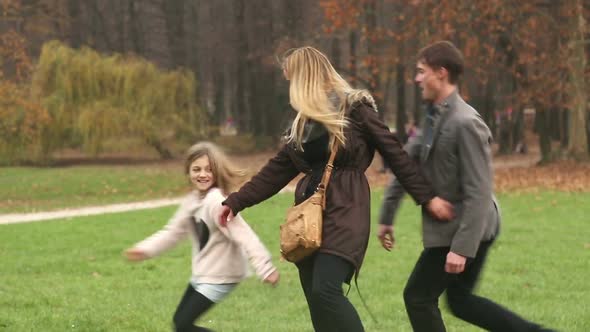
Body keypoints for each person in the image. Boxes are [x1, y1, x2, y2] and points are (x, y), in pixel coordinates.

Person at [218, 46, 453, 332]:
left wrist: (427, 198)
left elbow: (396, 155)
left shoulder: (355, 110)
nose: (290, 87)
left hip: (346, 208)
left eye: (291, 78)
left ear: (305, 77)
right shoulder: (301, 124)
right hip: (307, 220)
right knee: (318, 303)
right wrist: (235, 202)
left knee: (325, 290)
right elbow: (276, 170)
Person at [378, 41, 555, 332]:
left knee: (418, 297)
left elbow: (480, 191)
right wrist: (387, 216)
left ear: (441, 73)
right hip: (457, 226)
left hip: (468, 228)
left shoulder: (465, 122)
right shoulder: (434, 116)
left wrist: (461, 248)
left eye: (422, 72)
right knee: (460, 301)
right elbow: (406, 167)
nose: (417, 78)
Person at [124, 142, 279, 332]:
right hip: (203, 274)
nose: (202, 174)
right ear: (188, 172)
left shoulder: (216, 202)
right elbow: (173, 232)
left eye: (208, 169)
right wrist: (145, 250)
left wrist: (265, 267)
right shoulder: (192, 201)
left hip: (221, 275)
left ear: (217, 172)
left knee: (183, 325)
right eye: (196, 169)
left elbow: (244, 235)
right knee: (180, 324)